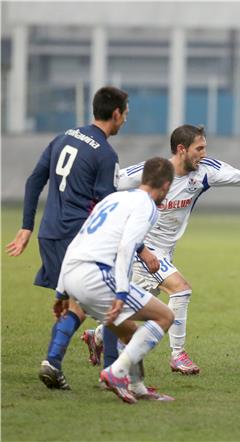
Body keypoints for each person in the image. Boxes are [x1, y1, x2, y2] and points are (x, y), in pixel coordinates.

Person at [81, 124, 240, 375]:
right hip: (142, 250)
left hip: (164, 254)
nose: (204, 153)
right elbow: (110, 183)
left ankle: (99, 336)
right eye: (198, 148)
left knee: (133, 307)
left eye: (205, 147)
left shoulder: (204, 172)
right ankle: (178, 355)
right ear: (181, 150)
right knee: (181, 290)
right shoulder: (154, 171)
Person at [3, 86, 145, 390]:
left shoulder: (64, 136)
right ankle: (111, 372)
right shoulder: (105, 154)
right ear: (116, 113)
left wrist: (27, 226)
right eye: (126, 114)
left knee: (75, 303)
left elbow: (34, 180)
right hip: (80, 238)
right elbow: (109, 204)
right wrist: (141, 247)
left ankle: (53, 362)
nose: (125, 121)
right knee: (109, 301)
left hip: (49, 234)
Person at [52, 157, 175, 404]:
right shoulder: (147, 206)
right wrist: (120, 293)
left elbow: (80, 239)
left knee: (130, 332)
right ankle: (116, 372)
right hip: (97, 276)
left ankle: (138, 386)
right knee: (165, 317)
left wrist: (61, 292)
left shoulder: (114, 198)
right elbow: (127, 246)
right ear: (165, 185)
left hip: (73, 274)